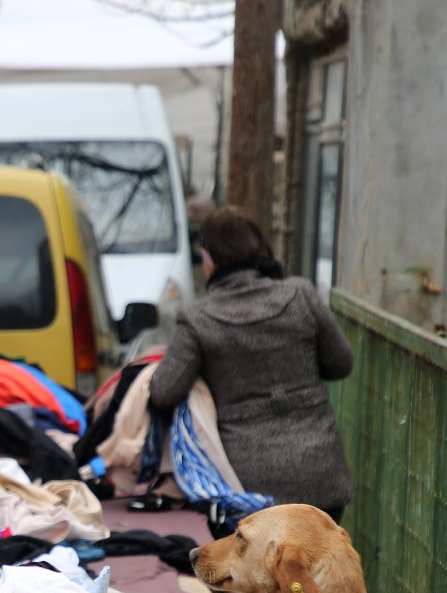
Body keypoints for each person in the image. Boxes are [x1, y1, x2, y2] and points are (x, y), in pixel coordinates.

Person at [148, 206, 355, 529]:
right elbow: (341, 363)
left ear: (211, 259)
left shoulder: (199, 318)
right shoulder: (301, 295)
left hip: (250, 488)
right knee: (312, 575)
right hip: (321, 477)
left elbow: (163, 391)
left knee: (267, 579)